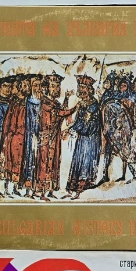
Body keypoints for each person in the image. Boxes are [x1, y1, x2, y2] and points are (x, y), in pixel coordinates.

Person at [35, 73, 74, 201]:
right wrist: (75, 108)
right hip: (46, 137)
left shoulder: (55, 102)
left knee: (55, 162)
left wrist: (66, 99)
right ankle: (42, 193)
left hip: (55, 137)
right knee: (44, 163)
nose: (56, 89)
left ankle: (51, 190)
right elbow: (59, 113)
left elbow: (61, 112)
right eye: (53, 86)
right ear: (47, 87)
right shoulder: (44, 102)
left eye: (57, 86)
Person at [66, 75, 102, 199]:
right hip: (82, 137)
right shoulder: (82, 103)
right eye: (80, 87)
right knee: (78, 160)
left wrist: (72, 129)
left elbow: (84, 123)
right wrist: (71, 128)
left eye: (83, 88)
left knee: (85, 162)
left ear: (89, 90)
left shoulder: (93, 105)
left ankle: (80, 189)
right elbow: (78, 120)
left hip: (90, 138)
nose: (81, 90)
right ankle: (72, 188)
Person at [0, 74, 30, 197]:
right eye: (24, 85)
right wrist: (6, 136)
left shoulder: (27, 102)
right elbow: (7, 121)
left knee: (20, 163)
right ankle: (7, 188)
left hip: (23, 137)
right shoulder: (14, 102)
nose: (27, 87)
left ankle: (15, 188)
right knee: (11, 162)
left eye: (28, 85)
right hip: (13, 137)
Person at [22, 74, 43, 198]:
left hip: (40, 136)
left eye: (39, 85)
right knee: (29, 160)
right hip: (30, 135)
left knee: (38, 162)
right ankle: (28, 190)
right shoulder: (28, 101)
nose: (37, 88)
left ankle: (36, 189)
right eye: (35, 85)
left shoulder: (42, 101)